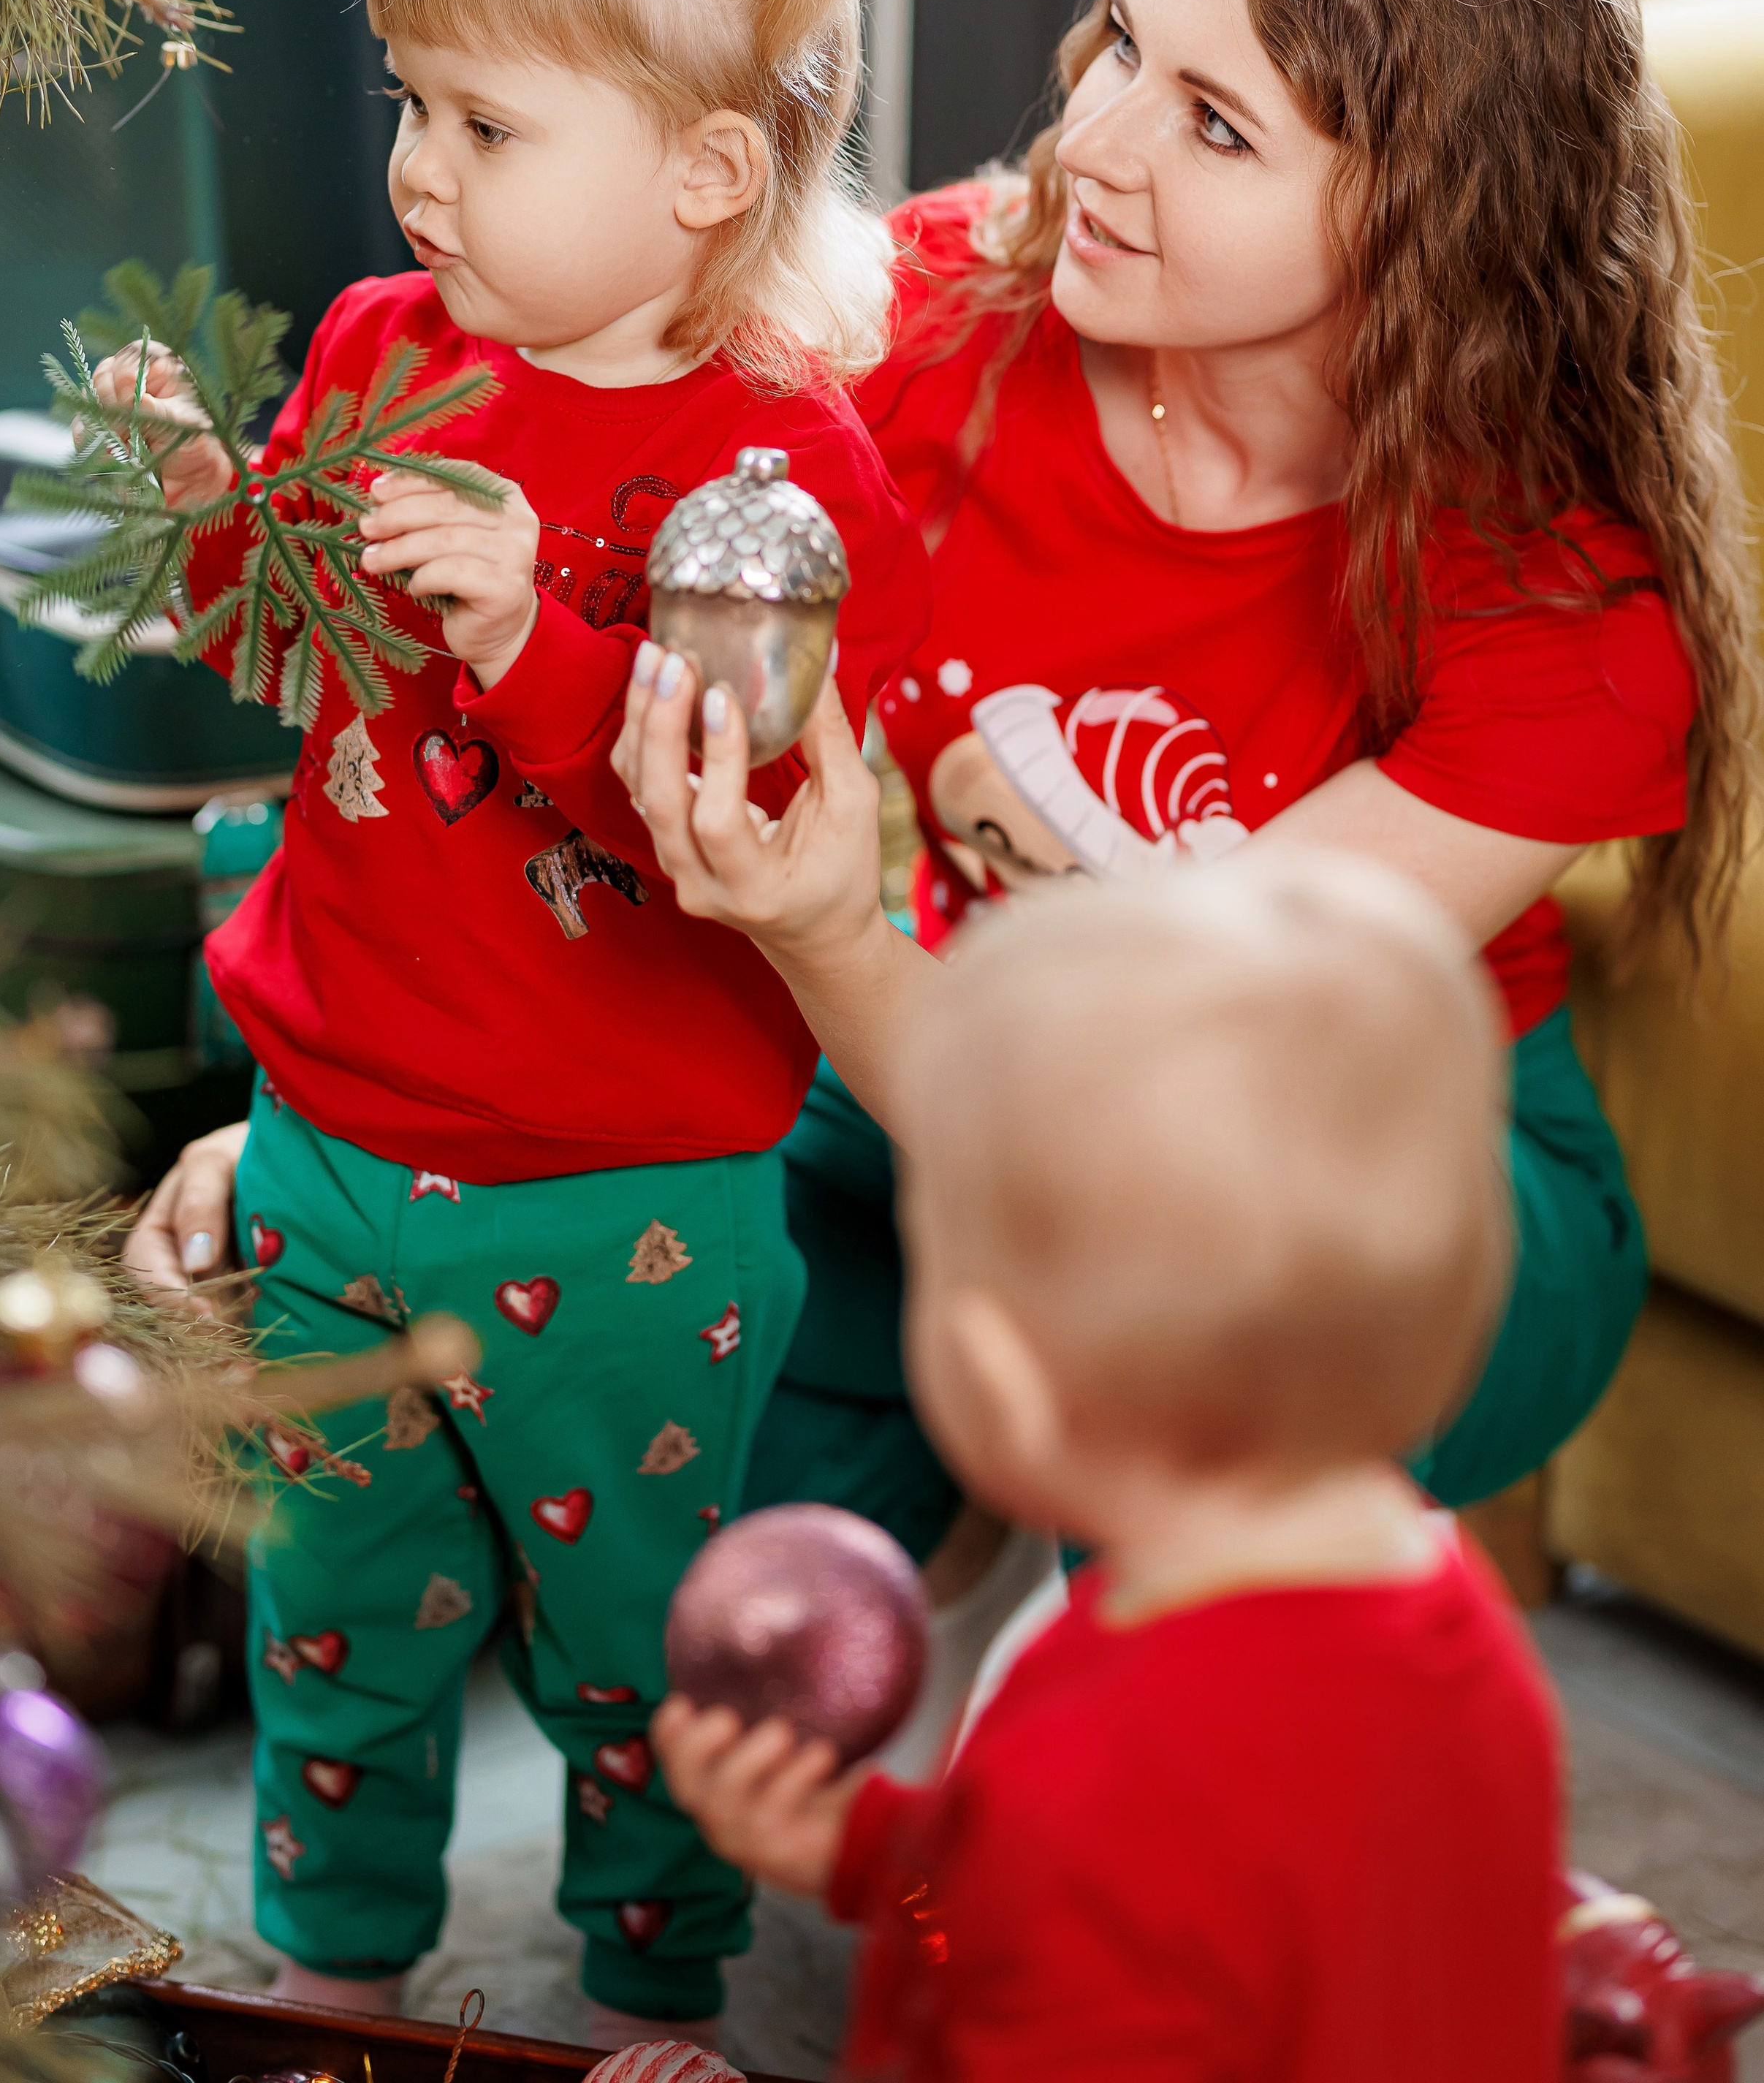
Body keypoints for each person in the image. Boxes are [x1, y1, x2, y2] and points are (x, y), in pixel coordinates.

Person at [113, 0, 927, 2048]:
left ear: (697, 176)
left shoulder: (771, 465)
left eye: (483, 125)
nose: (417, 177)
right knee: (332, 1613)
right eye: (407, 111)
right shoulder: (382, 345)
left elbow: (743, 835)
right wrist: (203, 510)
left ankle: (654, 1982)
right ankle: (334, 1971)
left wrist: (538, 638)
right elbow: (282, 638)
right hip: (335, 1139)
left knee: (641, 1634)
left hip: (628, 1199)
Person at [702, 0, 1756, 1562]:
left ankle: (1185, 1662)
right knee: (695, 1269)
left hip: (1378, 1173)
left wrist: (818, 931)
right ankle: (933, 1533)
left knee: (1169, 1286)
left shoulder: (1560, 610)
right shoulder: (947, 316)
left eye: (1214, 123)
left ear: (1423, 213)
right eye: (1121, 44)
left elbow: (1158, 1092)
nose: (1091, 145)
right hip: (989, 1067)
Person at [656, 852, 1565, 2082]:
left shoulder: (1092, 1752)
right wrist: (874, 1855)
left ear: (1003, 1380)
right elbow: (1143, 1911)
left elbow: (1031, 1947)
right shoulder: (1461, 1628)